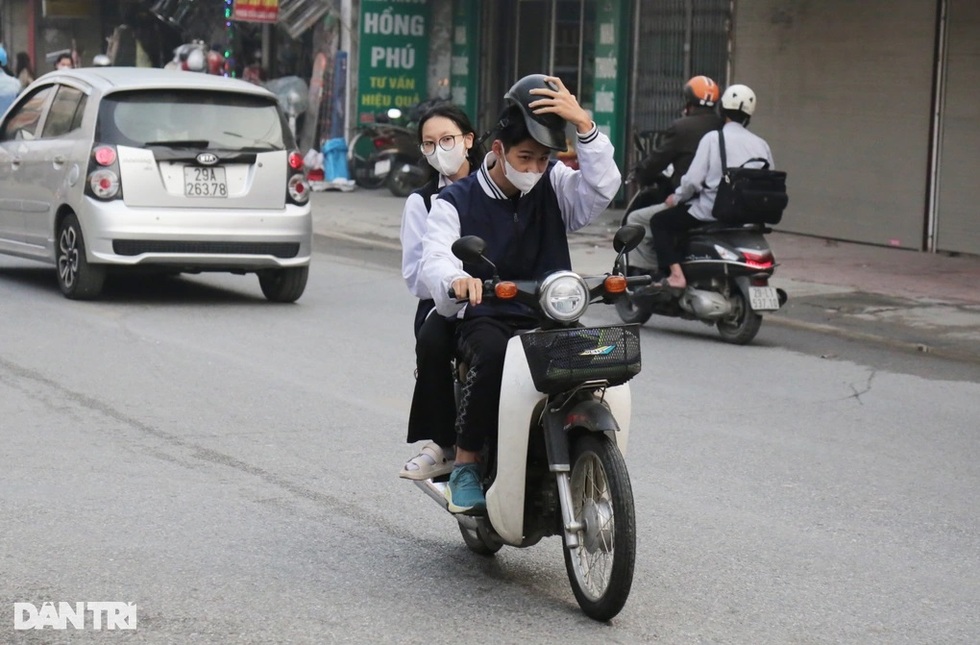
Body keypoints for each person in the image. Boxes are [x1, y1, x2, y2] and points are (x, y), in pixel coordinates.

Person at [420, 74, 621, 514]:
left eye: (542, 159)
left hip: (549, 312)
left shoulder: (555, 183)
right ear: (498, 150)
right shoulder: (456, 200)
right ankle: (466, 464)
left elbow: (602, 188)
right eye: (524, 157)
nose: (533, 169)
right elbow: (434, 257)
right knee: (494, 355)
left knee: (595, 357)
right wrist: (456, 279)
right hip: (487, 315)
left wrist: (585, 126)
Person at [398, 103, 482, 481]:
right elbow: (416, 278)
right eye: (429, 144)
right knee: (433, 341)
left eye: (447, 140)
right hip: (443, 301)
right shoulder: (423, 201)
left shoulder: (496, 186)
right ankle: (444, 443)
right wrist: (452, 280)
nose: (439, 150)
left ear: (468, 140)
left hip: (500, 293)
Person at [649, 84, 774, 290]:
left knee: (659, 222)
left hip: (712, 211)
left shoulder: (713, 139)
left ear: (722, 110)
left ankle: (676, 275)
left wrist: (677, 197)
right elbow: (768, 178)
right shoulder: (761, 144)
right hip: (748, 214)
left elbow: (692, 181)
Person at [626, 75, 722, 273]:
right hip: (720, 200)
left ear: (688, 101)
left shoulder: (683, 127)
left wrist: (641, 173)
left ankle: (648, 277)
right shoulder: (723, 126)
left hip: (693, 201)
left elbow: (658, 159)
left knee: (637, 219)